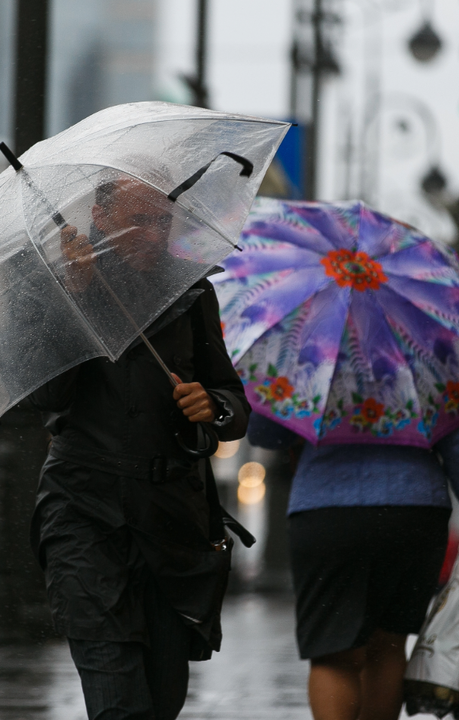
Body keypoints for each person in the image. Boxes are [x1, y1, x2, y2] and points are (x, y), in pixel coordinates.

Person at [29, 175, 252, 720]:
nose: (154, 235)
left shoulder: (193, 290)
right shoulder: (58, 288)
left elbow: (233, 403)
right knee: (118, 698)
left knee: (162, 695)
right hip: (84, 510)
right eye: (139, 221)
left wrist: (212, 405)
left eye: (163, 221)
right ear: (101, 219)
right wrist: (75, 298)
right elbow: (45, 397)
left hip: (172, 519)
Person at [248, 415, 459, 720]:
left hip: (327, 505)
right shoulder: (435, 366)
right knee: (388, 645)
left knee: (333, 653)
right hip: (415, 506)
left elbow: (265, 432)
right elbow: (453, 440)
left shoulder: (307, 367)